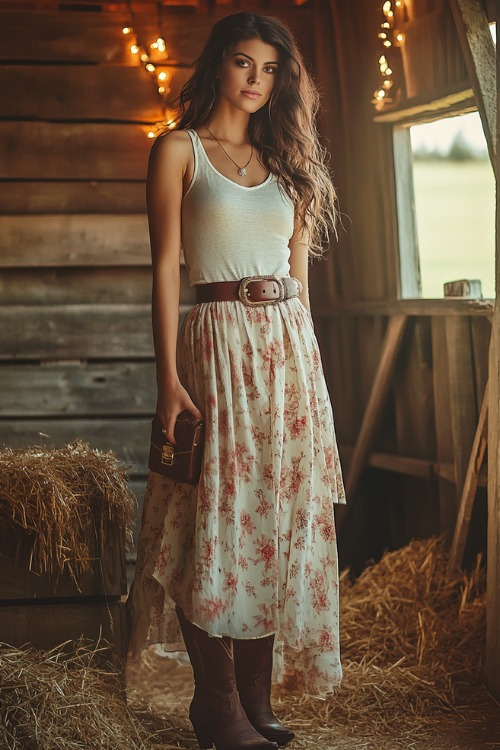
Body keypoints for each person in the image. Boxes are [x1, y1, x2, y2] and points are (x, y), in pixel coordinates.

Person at [127, 11, 346, 750]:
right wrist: (167, 380)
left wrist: (310, 383)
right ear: (218, 65)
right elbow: (162, 269)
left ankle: (257, 702)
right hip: (214, 350)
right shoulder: (178, 151)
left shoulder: (292, 164)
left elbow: (299, 284)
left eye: (272, 69)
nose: (257, 80)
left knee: (275, 526)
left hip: (288, 354)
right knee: (207, 523)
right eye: (245, 63)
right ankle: (215, 705)